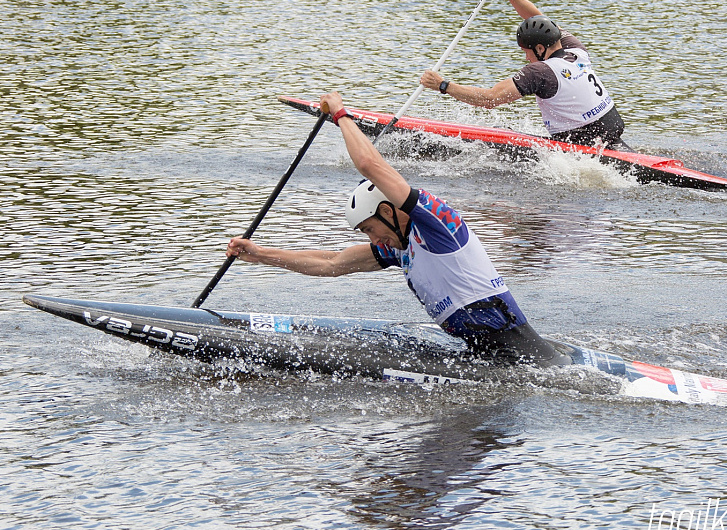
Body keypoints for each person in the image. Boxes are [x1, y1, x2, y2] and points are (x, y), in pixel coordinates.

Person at [226, 91, 565, 365]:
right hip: (486, 356)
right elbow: (332, 264)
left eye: (371, 229)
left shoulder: (435, 224)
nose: (374, 239)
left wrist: (341, 115)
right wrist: (261, 255)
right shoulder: (401, 248)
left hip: (524, 360)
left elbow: (370, 165)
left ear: (388, 211)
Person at [420, 0, 631, 151]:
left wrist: (442, 85)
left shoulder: (540, 72)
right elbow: (538, 19)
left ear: (540, 49)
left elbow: (489, 99)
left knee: (494, 140)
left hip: (580, 146)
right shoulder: (575, 49)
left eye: (526, 52)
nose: (526, 58)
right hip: (607, 135)